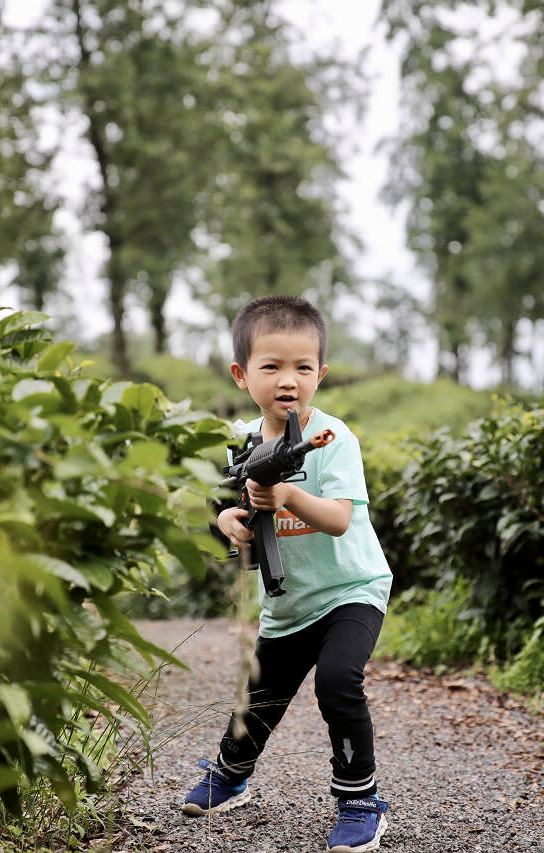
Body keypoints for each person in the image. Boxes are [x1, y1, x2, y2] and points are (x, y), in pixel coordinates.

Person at [181, 295, 394, 853]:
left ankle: (360, 801)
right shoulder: (239, 440)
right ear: (241, 374)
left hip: (351, 589)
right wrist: (226, 520)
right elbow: (221, 508)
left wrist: (289, 496)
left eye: (303, 367)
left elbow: (340, 520)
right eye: (271, 366)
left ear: (320, 374)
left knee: (337, 682)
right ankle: (231, 777)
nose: (288, 380)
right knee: (261, 698)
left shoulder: (334, 438)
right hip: (288, 602)